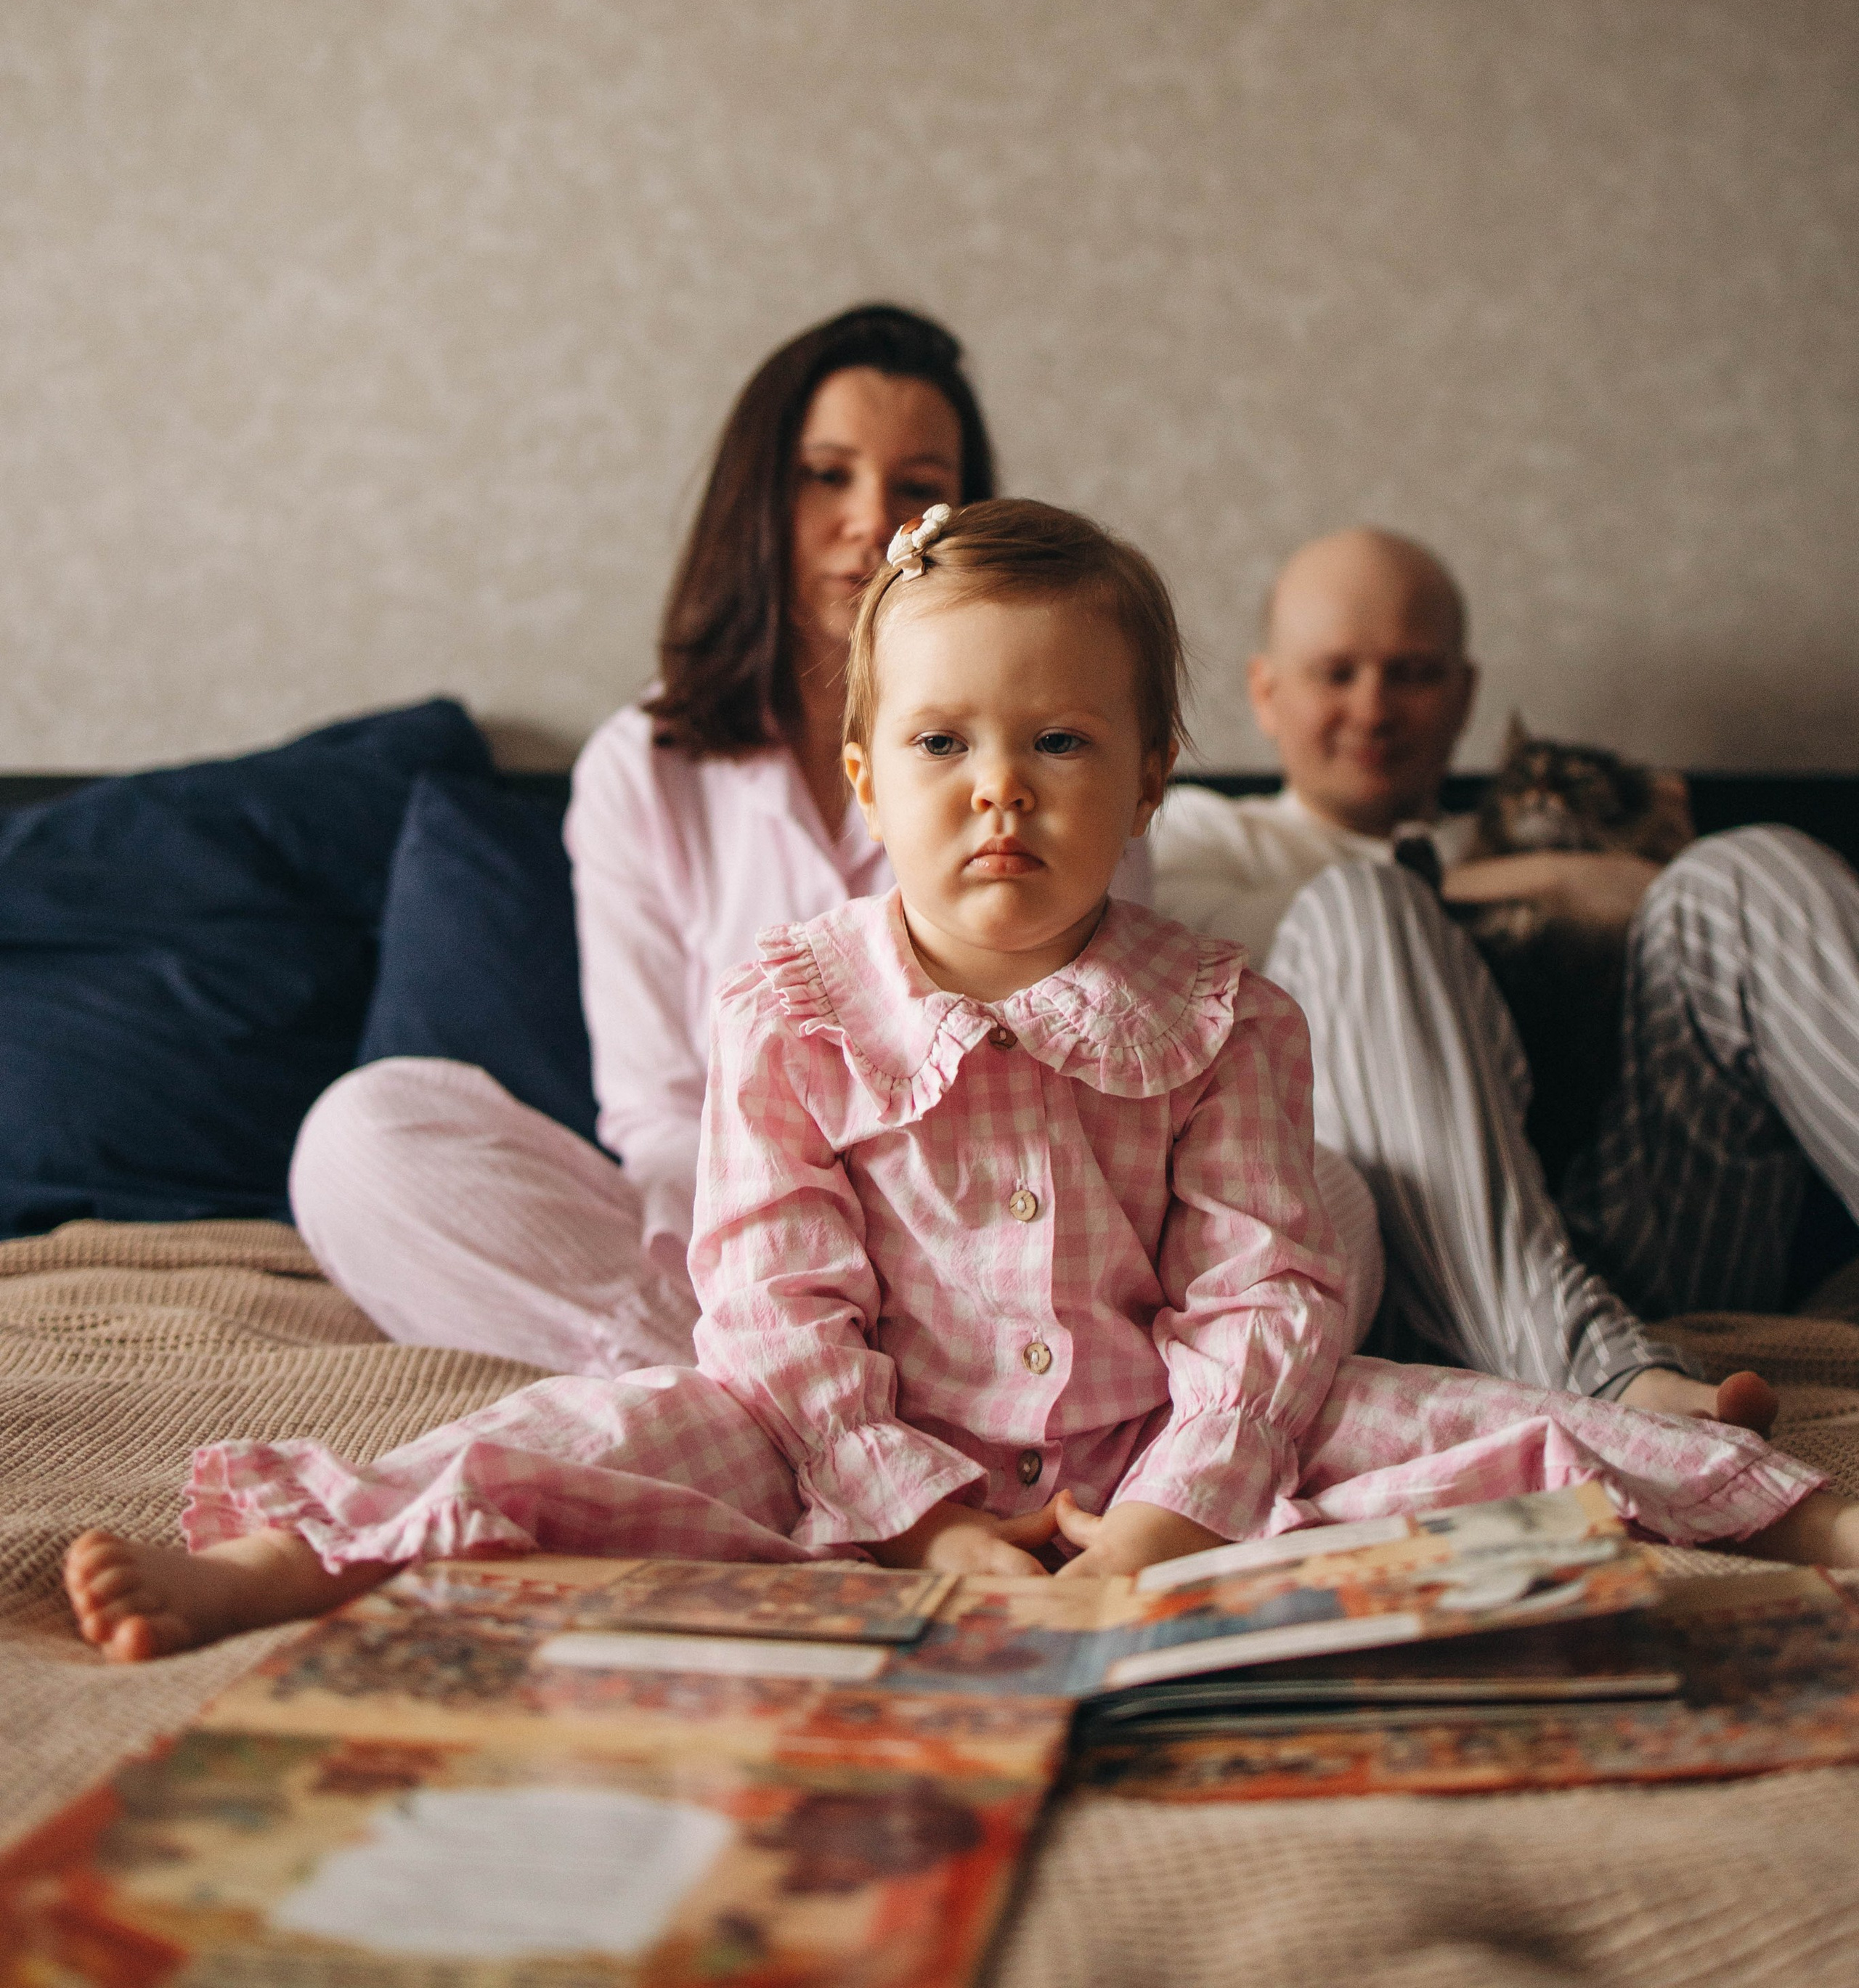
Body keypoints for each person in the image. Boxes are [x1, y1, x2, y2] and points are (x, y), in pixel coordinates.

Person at [65, 500, 1847, 1661]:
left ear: (1151, 772)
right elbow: (768, 1297)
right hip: (844, 1444)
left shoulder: (1221, 1003)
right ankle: (281, 1565)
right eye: (941, 743)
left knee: (1462, 1415)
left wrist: (1153, 1525)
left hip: (1157, 1436)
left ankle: (1807, 1508)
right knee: (569, 1434)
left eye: (1058, 740)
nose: (999, 788)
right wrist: (918, 1507)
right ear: (864, 769)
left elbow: (1270, 1291)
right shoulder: (789, 997)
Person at [287, 303, 992, 1376]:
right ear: (759, 498)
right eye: (826, 475)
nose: (871, 523)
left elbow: (1088, 1041)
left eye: (915, 486)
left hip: (993, 1240)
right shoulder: (642, 767)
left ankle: (807, 1411)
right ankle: (760, 1395)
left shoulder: (1041, 748)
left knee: (1320, 1186)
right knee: (360, 1135)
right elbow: (660, 1115)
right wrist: (757, 1262)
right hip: (724, 1252)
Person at [1151, 524, 1859, 1425]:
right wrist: (1566, 882)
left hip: (1650, 1225)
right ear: (1265, 690)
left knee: (1751, 868)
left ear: (1463, 694)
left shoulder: (1537, 826)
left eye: (1411, 673)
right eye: (1338, 672)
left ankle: (1608, 1360)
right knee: (1361, 907)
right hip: (1426, 1270)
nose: (1374, 708)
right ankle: (1592, 1378)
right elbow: (1201, 969)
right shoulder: (1198, 834)